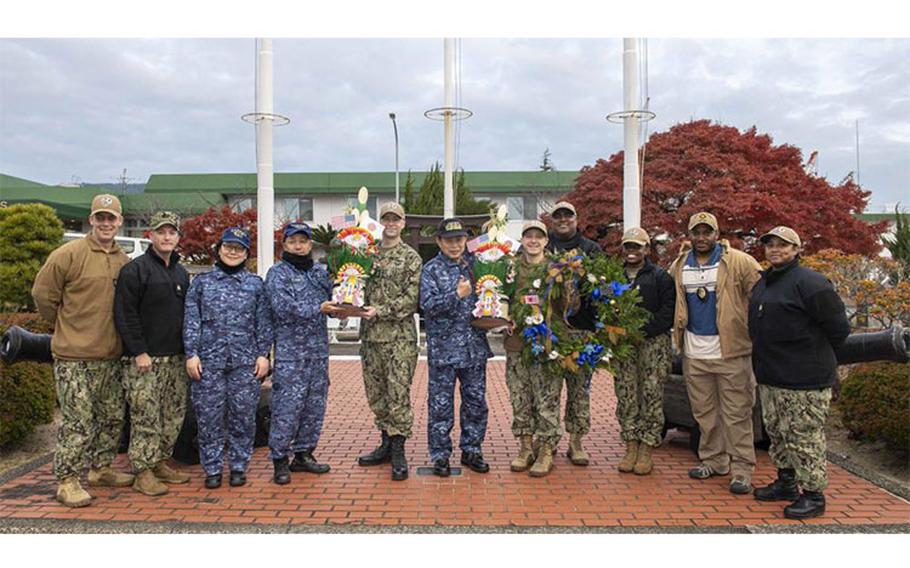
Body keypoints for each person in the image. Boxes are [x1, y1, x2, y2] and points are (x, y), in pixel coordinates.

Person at [32, 193, 134, 507]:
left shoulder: (123, 261)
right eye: (99, 217)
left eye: (111, 218)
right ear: (91, 220)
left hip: (111, 356)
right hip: (74, 356)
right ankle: (67, 479)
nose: (105, 223)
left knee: (112, 417)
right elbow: (43, 295)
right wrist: (66, 325)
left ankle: (100, 469)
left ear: (119, 222)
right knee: (78, 421)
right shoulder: (68, 254)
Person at [749, 226, 849, 519]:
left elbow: (839, 329)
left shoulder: (811, 282)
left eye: (783, 245)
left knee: (804, 437)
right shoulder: (764, 282)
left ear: (796, 249)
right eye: (770, 245)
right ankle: (786, 482)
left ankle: (814, 495)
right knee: (778, 435)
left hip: (804, 379)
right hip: (771, 376)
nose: (775, 250)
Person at [668, 211, 762, 494]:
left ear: (717, 234)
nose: (701, 237)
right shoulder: (680, 264)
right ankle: (714, 460)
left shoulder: (739, 262)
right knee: (705, 413)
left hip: (731, 351)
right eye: (696, 232)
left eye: (706, 232)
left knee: (737, 414)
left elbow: (762, 296)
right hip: (695, 353)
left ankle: (742, 468)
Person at [182, 227, 273, 489]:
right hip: (208, 362)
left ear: (246, 253)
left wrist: (263, 355)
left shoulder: (255, 285)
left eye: (239, 248)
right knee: (209, 417)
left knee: (243, 416)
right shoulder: (201, 283)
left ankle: (238, 466)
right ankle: (211, 468)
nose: (233, 252)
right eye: (228, 247)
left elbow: (263, 322)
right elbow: (192, 321)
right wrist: (192, 354)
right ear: (219, 249)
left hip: (245, 363)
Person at [113, 211, 192, 496]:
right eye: (161, 232)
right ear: (151, 236)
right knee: (146, 416)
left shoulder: (181, 272)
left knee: (172, 415)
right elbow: (125, 314)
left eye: (172, 232)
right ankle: (142, 471)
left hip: (175, 358)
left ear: (178, 237)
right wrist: (139, 351)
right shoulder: (135, 270)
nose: (167, 237)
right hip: (145, 360)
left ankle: (159, 461)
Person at [419, 218, 494, 477]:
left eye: (459, 240)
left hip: (474, 349)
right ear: (439, 241)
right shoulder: (430, 269)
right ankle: (440, 455)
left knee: (475, 402)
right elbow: (426, 305)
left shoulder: (480, 264)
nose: (455, 245)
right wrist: (456, 295)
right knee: (440, 405)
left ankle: (472, 449)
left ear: (466, 240)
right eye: (449, 240)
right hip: (444, 351)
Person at [265, 222, 337, 485]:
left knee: (313, 406)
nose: (298, 245)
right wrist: (319, 307)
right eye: (293, 241)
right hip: (291, 354)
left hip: (318, 353)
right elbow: (282, 307)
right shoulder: (277, 274)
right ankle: (280, 459)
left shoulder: (319, 273)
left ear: (310, 245)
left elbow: (335, 299)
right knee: (287, 408)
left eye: (303, 241)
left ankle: (304, 454)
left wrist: (345, 307)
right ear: (284, 244)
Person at [357, 202, 422, 481]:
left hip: (400, 340)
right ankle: (385, 442)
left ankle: (398, 450)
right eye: (387, 218)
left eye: (396, 219)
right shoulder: (365, 254)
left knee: (398, 394)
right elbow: (353, 284)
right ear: (381, 222)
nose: (391, 223)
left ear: (403, 223)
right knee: (377, 394)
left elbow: (412, 300)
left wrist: (379, 311)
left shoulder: (411, 258)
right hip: (371, 338)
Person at [612, 227, 675, 475]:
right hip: (623, 345)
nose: (632, 252)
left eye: (637, 247)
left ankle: (647, 447)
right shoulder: (613, 277)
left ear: (646, 249)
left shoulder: (660, 277)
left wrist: (640, 330)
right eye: (628, 246)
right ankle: (630, 445)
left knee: (651, 395)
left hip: (652, 345)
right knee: (626, 394)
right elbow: (605, 305)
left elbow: (666, 312)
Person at [503, 220, 562, 477]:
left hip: (547, 344)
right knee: (520, 397)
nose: (534, 241)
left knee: (547, 398)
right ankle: (526, 446)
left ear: (546, 241)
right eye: (529, 237)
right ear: (523, 240)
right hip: (517, 344)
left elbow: (571, 307)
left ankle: (546, 449)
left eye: (539, 237)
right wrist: (503, 318)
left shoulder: (556, 270)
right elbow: (500, 297)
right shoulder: (510, 268)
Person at [544, 201, 601, 465]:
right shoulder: (542, 248)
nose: (563, 220)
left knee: (579, 392)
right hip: (549, 334)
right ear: (551, 220)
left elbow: (604, 290)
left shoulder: (591, 250)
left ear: (576, 219)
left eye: (568, 216)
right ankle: (549, 440)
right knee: (549, 390)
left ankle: (576, 442)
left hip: (582, 334)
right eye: (558, 217)